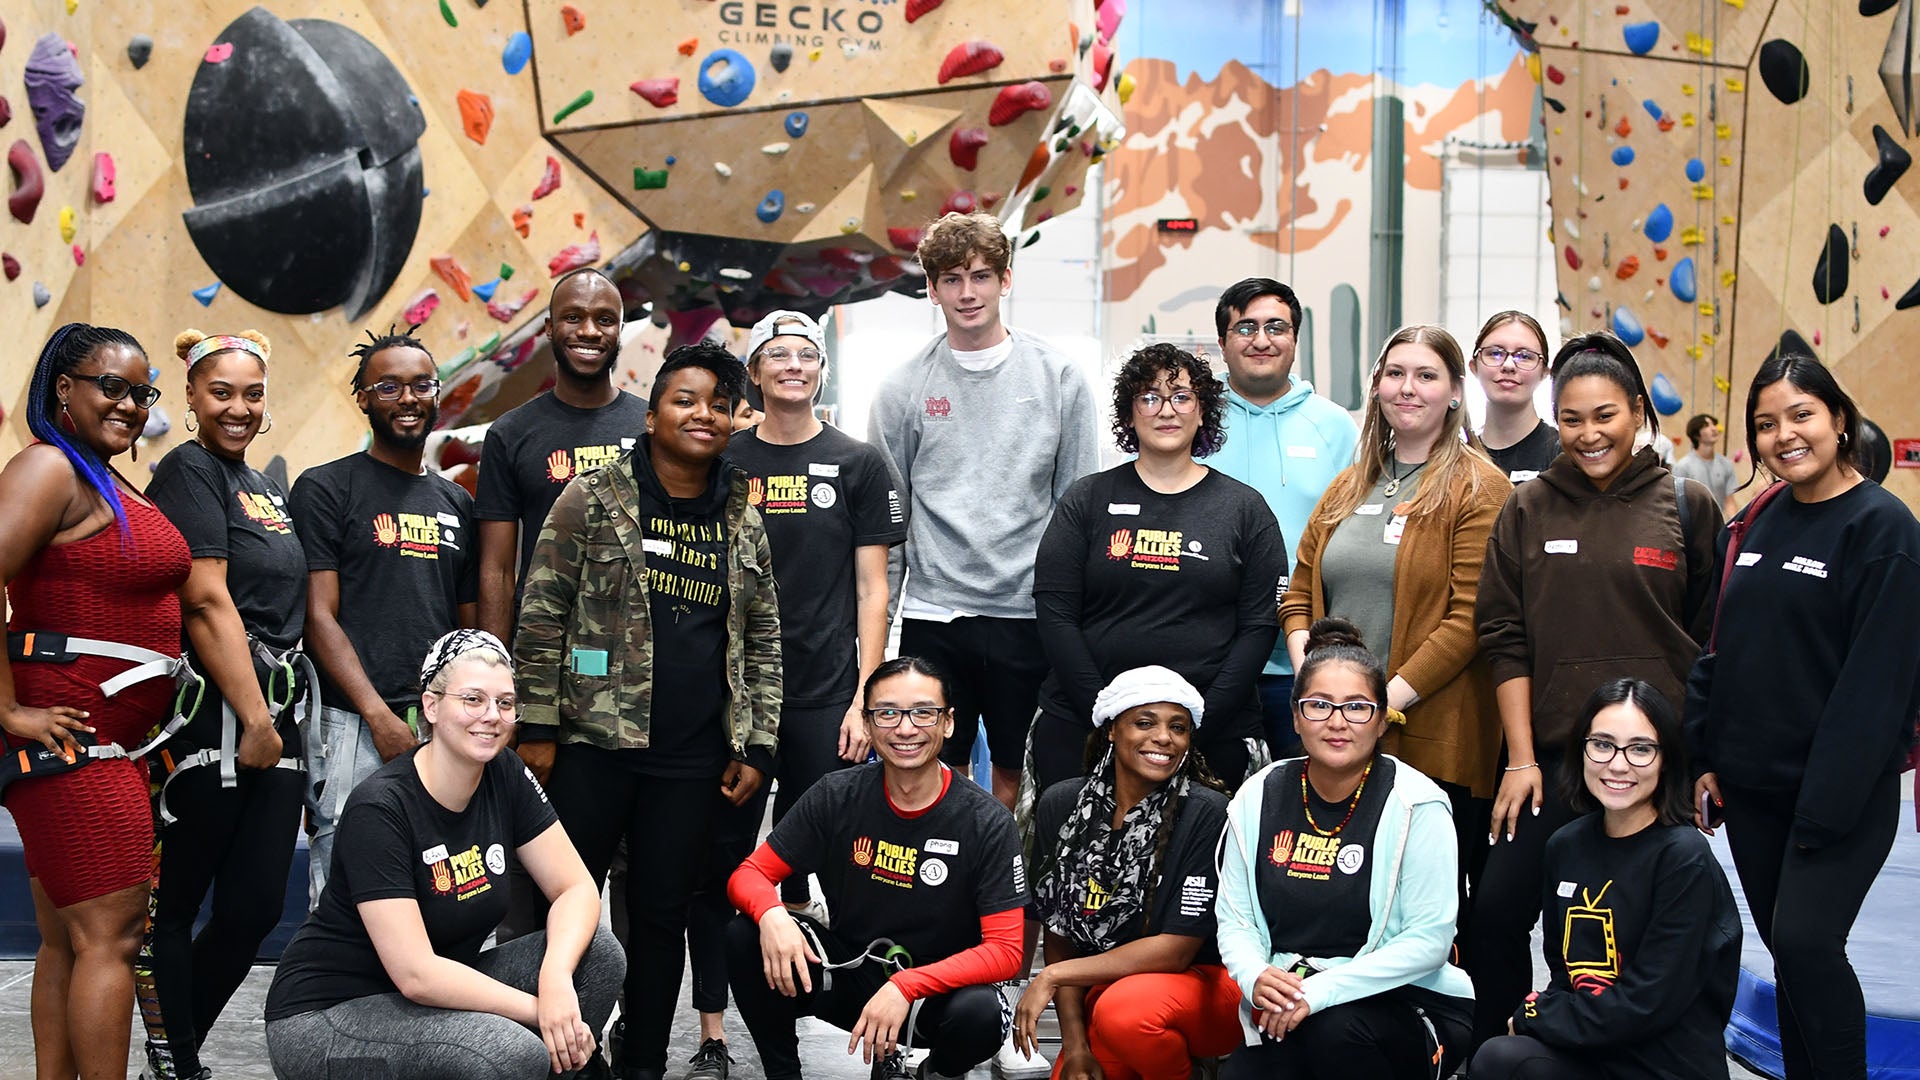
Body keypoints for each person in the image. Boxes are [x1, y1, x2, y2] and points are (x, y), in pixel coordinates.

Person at [516, 341, 781, 1080]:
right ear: (654, 409)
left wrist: (756, 746)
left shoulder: (741, 512)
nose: (703, 415)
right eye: (685, 399)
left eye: (719, 405)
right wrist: (536, 725)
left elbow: (762, 636)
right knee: (563, 910)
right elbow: (540, 613)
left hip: (692, 758)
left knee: (662, 919)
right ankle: (554, 1056)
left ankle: (640, 1065)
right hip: (589, 746)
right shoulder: (593, 496)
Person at [1469, 331, 1721, 1052]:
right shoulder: (1529, 508)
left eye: (1605, 416)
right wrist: (1520, 759)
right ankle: (1500, 1057)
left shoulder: (1686, 503)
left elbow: (1707, 641)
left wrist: (1697, 756)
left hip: (1651, 766)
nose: (1588, 434)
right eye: (1572, 418)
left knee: (1652, 934)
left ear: (1638, 412)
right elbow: (1504, 638)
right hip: (1551, 764)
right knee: (1494, 915)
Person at [679, 311, 907, 1080]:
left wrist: (865, 700)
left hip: (824, 701)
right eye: (776, 354)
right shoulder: (723, 458)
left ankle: (879, 1032)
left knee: (854, 871)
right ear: (755, 371)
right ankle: (713, 1034)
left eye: (806, 354)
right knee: (720, 869)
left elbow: (873, 588)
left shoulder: (857, 462)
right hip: (731, 706)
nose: (792, 365)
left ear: (821, 370)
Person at [1686, 352, 1920, 1080]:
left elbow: (1876, 687)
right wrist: (1703, 757)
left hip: (1836, 800)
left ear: (1839, 420)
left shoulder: (1883, 529)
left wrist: (1824, 807)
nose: (1784, 435)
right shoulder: (1757, 519)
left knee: (1810, 944)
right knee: (1792, 960)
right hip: (1753, 794)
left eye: (1801, 415)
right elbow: (1721, 650)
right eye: (1765, 424)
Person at [264, 630, 623, 1079]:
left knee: (598, 954)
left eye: (505, 703)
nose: (491, 716)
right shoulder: (382, 806)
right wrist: (540, 1011)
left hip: (428, 995)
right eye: (473, 699)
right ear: (431, 707)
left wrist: (554, 980)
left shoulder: (504, 772)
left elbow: (575, 888)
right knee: (510, 1051)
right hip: (328, 1016)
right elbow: (417, 974)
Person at [0, 324, 189, 1080]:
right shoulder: (49, 468)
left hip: (92, 749)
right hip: (75, 750)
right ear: (63, 391)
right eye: (110, 385)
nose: (129, 403)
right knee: (109, 940)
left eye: (141, 392)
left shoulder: (94, 476)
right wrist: (10, 711)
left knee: (69, 940)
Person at [1280, 324, 1510, 933]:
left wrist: (1376, 706)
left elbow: (1470, 620)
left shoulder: (1479, 487)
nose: (1408, 389)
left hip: (1428, 737)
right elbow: (1299, 590)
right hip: (1342, 736)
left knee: (1420, 918)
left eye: (1427, 375)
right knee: (1346, 910)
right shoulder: (1351, 483)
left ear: (1456, 392)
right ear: (1377, 385)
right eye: (1396, 374)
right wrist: (1317, 687)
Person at [867, 210, 1101, 808]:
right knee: (934, 778)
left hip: (1028, 614)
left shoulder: (1060, 378)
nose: (967, 293)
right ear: (931, 289)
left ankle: (1006, 892)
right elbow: (888, 522)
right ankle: (951, 892)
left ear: (1006, 280)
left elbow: (1078, 507)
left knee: (1017, 775)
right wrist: (884, 623)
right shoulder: (901, 389)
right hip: (936, 613)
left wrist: (1070, 617)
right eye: (950, 279)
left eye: (979, 276)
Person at [724, 657, 1028, 1080]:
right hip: (852, 977)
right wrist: (773, 913)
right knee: (745, 933)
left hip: (936, 996)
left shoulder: (987, 821)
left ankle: (933, 1073)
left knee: (980, 1014)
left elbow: (1007, 952)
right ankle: (783, 1072)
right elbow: (748, 874)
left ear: (949, 723)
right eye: (887, 713)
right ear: (867, 725)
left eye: (923, 712)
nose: (905, 729)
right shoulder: (836, 795)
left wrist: (908, 985)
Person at [142, 329, 310, 1080]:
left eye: (252, 394)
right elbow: (207, 599)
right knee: (176, 907)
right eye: (221, 393)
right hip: (219, 714)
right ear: (189, 397)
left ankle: (179, 1053)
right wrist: (253, 716)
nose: (238, 408)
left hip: (277, 719)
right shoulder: (188, 471)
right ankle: (174, 1062)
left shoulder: (263, 486)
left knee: (253, 911)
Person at [1214, 620, 1473, 1080]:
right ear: (1295, 716)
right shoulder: (1258, 796)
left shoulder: (1418, 803)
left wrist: (1320, 993)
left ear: (1381, 718)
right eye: (1318, 706)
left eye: (1356, 707)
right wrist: (1256, 977)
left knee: (1335, 1032)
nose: (1337, 722)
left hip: (1407, 1002)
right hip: (1296, 1000)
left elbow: (1429, 942)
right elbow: (1235, 919)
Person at [1031, 342, 1286, 790]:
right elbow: (1056, 616)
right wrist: (1108, 714)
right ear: (1129, 415)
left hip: (1212, 729)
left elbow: (1259, 627)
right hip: (1084, 723)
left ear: (1203, 411)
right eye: (1149, 397)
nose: (1166, 410)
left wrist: (1195, 721)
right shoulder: (1086, 501)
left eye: (1182, 396)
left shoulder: (1245, 510)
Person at [290, 327, 479, 903]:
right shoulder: (325, 487)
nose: (408, 398)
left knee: (433, 888)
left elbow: (468, 630)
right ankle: (334, 998)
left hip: (437, 726)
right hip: (353, 724)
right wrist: (378, 716)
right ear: (365, 398)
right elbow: (319, 617)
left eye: (421, 384)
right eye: (389, 386)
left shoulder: (457, 503)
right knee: (348, 888)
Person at [1471, 678, 1740, 1080]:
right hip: (1592, 1051)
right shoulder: (1566, 846)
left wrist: (1535, 1016)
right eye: (1602, 744)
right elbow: (1565, 975)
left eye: (1640, 749)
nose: (1618, 764)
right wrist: (1540, 1017)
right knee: (1500, 1058)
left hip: (1665, 1064)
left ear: (1666, 759)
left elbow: (1650, 1002)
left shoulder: (1684, 858)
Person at [1014, 666, 1238, 1080]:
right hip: (1104, 992)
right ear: (1112, 730)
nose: (1164, 738)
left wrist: (1053, 975)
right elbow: (1061, 933)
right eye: (1145, 722)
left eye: (1178, 727)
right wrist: (1075, 1045)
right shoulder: (1062, 805)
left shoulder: (1207, 812)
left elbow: (1176, 951)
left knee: (1127, 1013)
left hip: (1203, 986)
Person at [1208, 279, 1360, 757]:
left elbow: (1352, 537)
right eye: (1246, 327)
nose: (1262, 339)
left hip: (1302, 662)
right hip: (1211, 660)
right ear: (1223, 342)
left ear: (1295, 339)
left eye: (1277, 327)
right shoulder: (1196, 421)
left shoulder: (1334, 425)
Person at [476, 267, 645, 655]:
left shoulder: (651, 427)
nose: (589, 331)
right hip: (543, 647)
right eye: (573, 317)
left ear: (620, 329)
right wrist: (494, 665)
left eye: (605, 320)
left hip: (637, 652)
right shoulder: (510, 434)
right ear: (550, 328)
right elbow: (497, 570)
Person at [1468, 311, 1558, 482]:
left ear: (1544, 373)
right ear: (1474, 367)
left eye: (1524, 356)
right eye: (1495, 353)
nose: (1508, 365)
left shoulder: (1561, 456)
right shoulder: (1457, 457)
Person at [1671, 413, 1738, 517]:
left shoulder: (1726, 464)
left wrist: (1736, 526)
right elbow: (1678, 504)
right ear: (1696, 435)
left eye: (1713, 425)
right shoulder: (1683, 466)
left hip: (1719, 526)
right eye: (1706, 426)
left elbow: (1729, 501)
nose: (1713, 429)